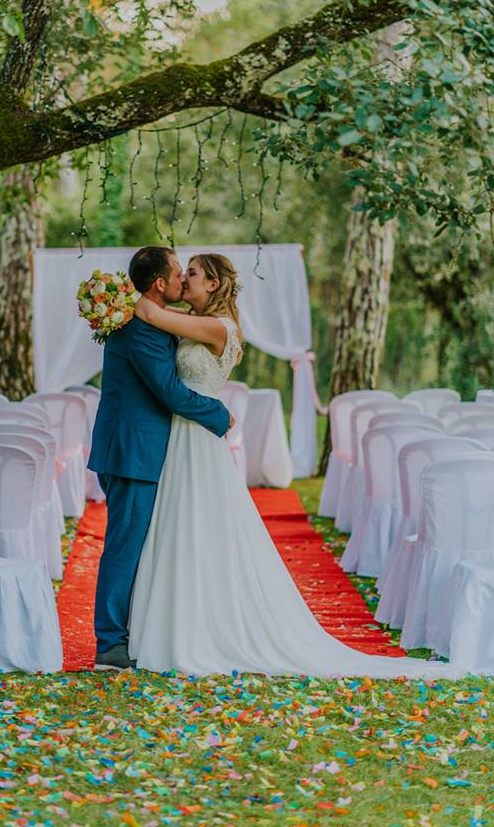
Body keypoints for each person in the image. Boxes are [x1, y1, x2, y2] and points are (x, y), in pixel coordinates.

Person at [128, 252, 462, 679]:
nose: (184, 279)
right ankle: (172, 624)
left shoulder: (217, 327)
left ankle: (196, 630)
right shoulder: (196, 320)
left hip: (195, 437)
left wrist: (136, 297)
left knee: (195, 522)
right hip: (181, 434)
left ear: (213, 285)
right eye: (182, 273)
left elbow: (150, 315)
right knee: (179, 524)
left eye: (191, 273)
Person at [88, 246, 233, 670]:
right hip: (134, 452)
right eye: (178, 273)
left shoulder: (154, 321)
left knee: (139, 546)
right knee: (124, 548)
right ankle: (110, 646)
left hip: (139, 450)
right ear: (159, 284)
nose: (182, 280)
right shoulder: (143, 327)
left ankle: (132, 633)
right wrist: (218, 413)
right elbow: (169, 392)